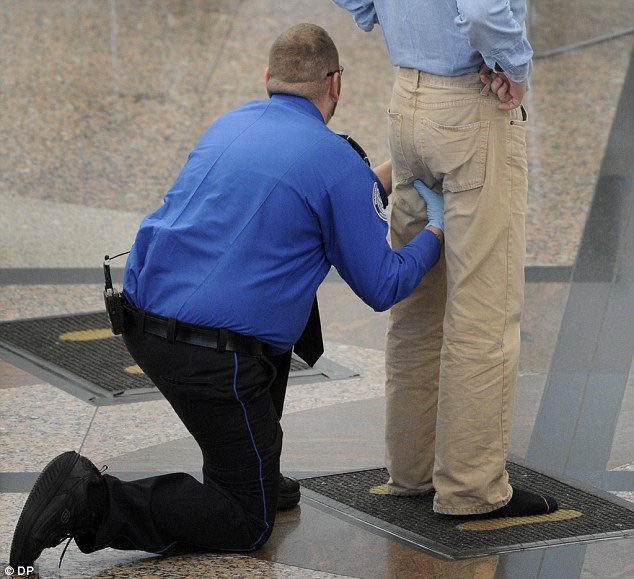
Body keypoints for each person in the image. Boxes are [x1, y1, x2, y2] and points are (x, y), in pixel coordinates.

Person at [10, 23, 446, 568]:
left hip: (145, 323)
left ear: (269, 78)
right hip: (214, 357)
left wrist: (392, 177)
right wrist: (437, 233)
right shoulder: (331, 158)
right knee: (246, 518)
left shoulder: (231, 125)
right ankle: (92, 500)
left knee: (278, 299)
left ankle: (255, 467)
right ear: (336, 84)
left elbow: (333, 192)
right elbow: (383, 285)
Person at [333, 1, 559, 517]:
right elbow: (484, 12)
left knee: (417, 308)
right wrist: (515, 66)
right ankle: (470, 488)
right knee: (483, 305)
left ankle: (411, 473)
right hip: (470, 104)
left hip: (406, 103)